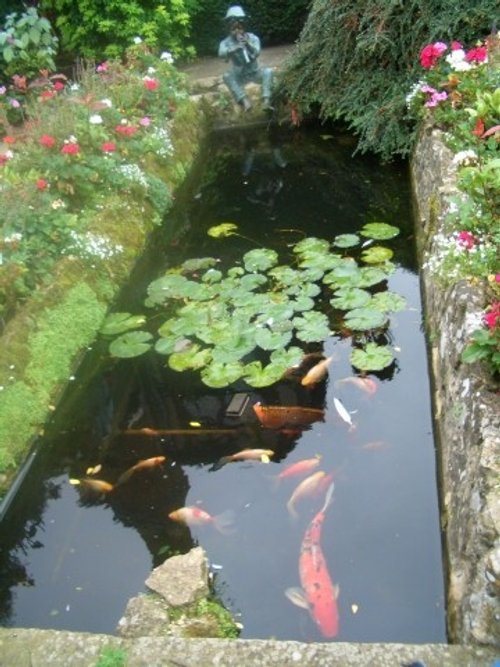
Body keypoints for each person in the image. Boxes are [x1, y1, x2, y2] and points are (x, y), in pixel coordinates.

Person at [218, 5, 273, 112]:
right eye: (233, 26)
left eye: (240, 26)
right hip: (239, 74)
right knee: (227, 76)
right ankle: (244, 101)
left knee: (268, 72)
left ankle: (266, 101)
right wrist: (234, 49)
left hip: (255, 71)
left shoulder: (252, 38)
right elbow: (221, 54)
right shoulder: (225, 42)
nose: (237, 29)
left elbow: (257, 52)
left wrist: (247, 44)